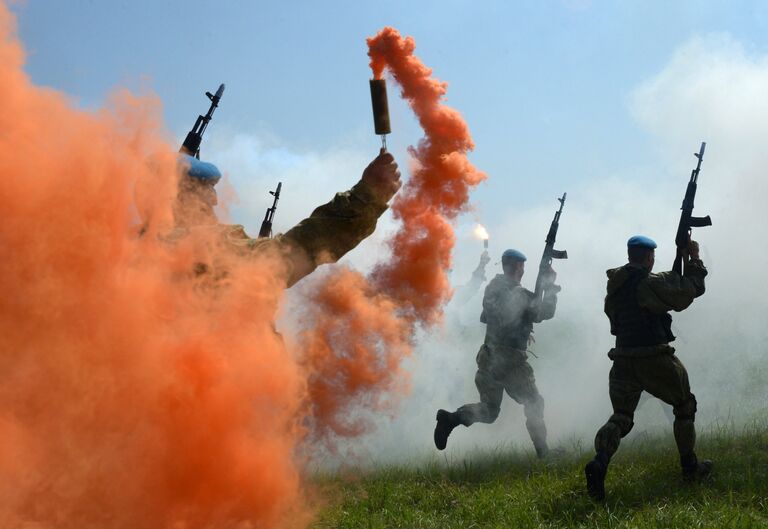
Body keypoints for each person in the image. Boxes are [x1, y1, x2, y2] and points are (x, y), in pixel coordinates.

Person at [585, 235, 711, 501]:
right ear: (650, 257)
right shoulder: (649, 283)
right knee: (684, 406)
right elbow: (688, 293)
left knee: (621, 417)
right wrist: (695, 259)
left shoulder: (617, 285)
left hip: (622, 359)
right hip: (653, 356)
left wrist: (676, 266)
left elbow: (623, 312)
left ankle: (600, 461)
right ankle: (690, 467)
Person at [169, 150, 401, 287]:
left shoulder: (139, 248)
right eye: (204, 191)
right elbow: (286, 256)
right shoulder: (198, 246)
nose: (214, 201)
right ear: (175, 197)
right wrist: (366, 196)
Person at [433, 249, 560, 458]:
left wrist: (521, 325)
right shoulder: (518, 293)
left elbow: (489, 317)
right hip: (509, 360)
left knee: (489, 411)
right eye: (522, 266)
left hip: (488, 356)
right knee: (534, 403)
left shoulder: (492, 289)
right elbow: (545, 312)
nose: (523, 270)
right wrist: (550, 285)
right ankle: (544, 453)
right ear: (518, 267)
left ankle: (452, 419)